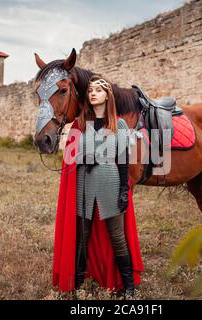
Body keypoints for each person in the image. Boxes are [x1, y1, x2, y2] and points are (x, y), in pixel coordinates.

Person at [52, 75, 144, 297]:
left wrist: (124, 190)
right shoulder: (80, 123)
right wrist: (85, 157)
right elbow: (70, 156)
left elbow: (123, 160)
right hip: (83, 184)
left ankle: (129, 285)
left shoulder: (119, 124)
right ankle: (78, 278)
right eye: (91, 90)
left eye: (99, 90)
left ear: (107, 96)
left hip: (110, 182)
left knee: (117, 236)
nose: (93, 93)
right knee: (81, 236)